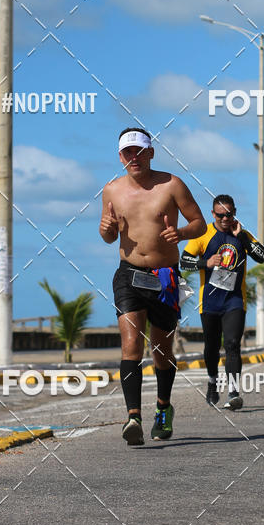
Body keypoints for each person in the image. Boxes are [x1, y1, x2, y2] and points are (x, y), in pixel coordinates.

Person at [99, 127, 207, 446]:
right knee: (131, 345)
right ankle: (133, 417)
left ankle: (163, 408)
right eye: (127, 153)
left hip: (164, 277)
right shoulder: (111, 190)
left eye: (139, 151)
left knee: (161, 350)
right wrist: (106, 229)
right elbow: (108, 236)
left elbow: (199, 223)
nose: (133, 157)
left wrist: (181, 234)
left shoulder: (172, 184)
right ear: (120, 157)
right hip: (128, 275)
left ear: (151, 153)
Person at [181, 195, 264, 409]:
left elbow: (262, 256)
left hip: (234, 301)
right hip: (210, 301)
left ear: (234, 212)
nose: (225, 219)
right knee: (211, 347)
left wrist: (242, 238)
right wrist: (206, 263)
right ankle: (212, 381)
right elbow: (184, 261)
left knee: (232, 344)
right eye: (220, 215)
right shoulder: (204, 234)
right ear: (213, 214)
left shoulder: (242, 234)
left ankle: (234, 393)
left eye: (229, 214)